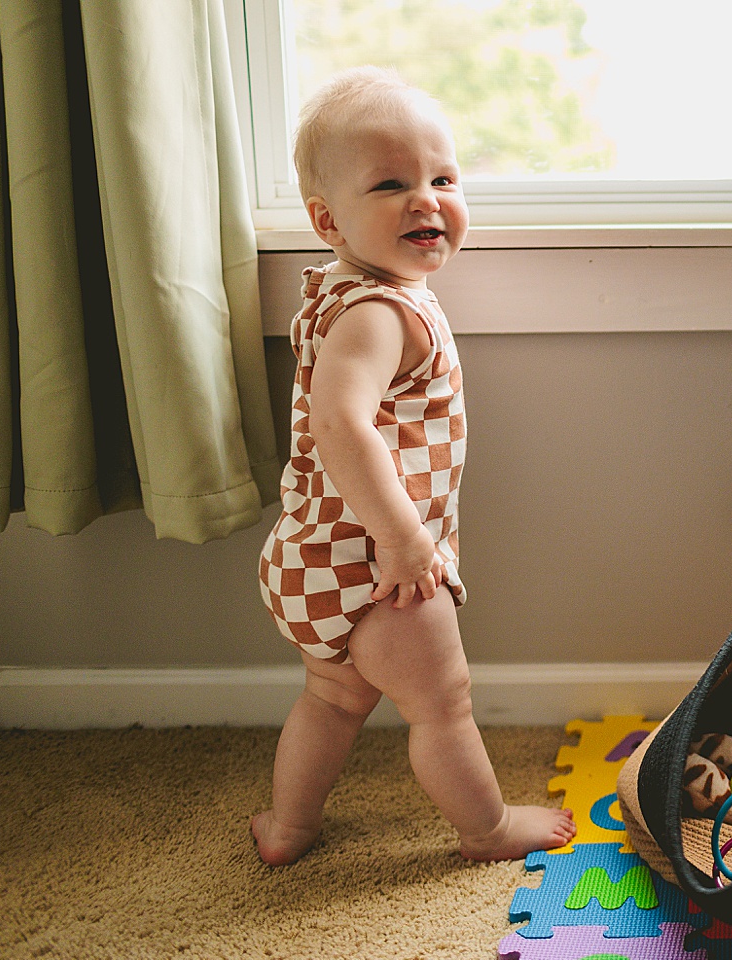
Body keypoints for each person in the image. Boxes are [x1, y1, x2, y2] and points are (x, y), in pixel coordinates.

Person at [252, 66, 576, 865]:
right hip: (378, 568)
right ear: (329, 219)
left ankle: (289, 827)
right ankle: (487, 828)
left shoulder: (341, 289)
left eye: (443, 177)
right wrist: (402, 540)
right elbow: (338, 423)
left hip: (311, 557)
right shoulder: (379, 312)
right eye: (391, 183)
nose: (426, 199)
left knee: (331, 699)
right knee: (444, 709)